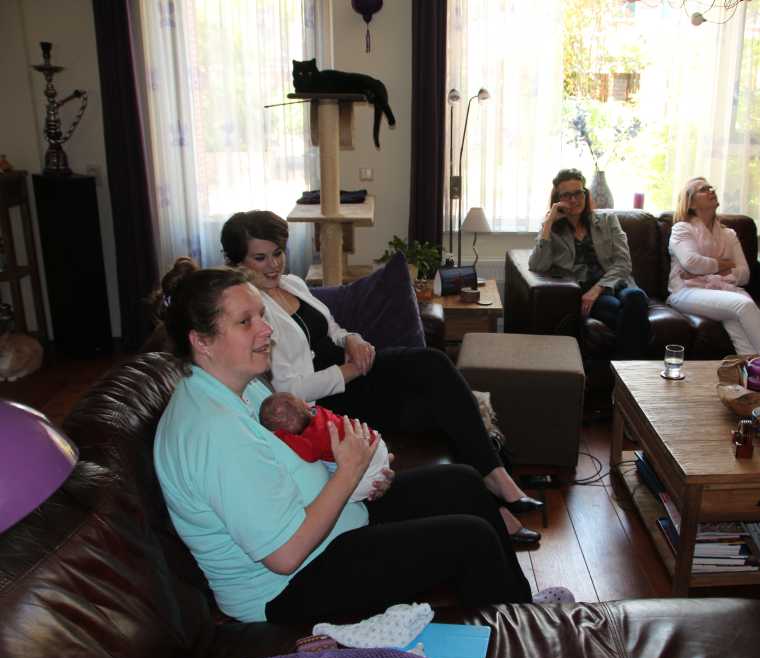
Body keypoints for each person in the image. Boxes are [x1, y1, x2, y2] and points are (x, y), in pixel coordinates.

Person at [152, 265, 553, 624]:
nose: (266, 329)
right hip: (285, 586)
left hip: (329, 523)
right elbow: (284, 556)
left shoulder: (244, 386)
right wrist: (348, 473)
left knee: (462, 482)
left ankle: (523, 612)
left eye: (261, 314)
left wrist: (360, 473)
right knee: (470, 540)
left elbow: (299, 452)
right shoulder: (212, 431)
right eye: (245, 321)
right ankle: (519, 640)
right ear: (202, 341)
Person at [219, 211, 542, 545]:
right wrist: (348, 371)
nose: (274, 265)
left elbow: (332, 327)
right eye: (260, 258)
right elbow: (291, 389)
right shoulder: (255, 317)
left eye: (277, 253)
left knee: (434, 365)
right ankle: (498, 507)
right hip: (331, 398)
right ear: (238, 263)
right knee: (437, 410)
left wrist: (352, 339)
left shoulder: (293, 284)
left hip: (355, 371)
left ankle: (497, 477)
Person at [528, 168, 650, 358]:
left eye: (578, 193)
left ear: (585, 193)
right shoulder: (554, 231)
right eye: (566, 195)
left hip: (615, 284)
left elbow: (624, 263)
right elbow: (537, 265)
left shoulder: (608, 220)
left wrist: (597, 289)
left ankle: (620, 369)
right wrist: (548, 223)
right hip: (585, 291)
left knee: (636, 297)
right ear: (558, 200)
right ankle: (628, 369)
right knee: (625, 312)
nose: (574, 200)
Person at [667, 177, 760, 356]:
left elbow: (744, 275)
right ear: (691, 203)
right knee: (743, 305)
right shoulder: (682, 229)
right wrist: (726, 265)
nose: (711, 191)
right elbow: (692, 263)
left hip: (725, 291)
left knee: (737, 326)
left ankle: (751, 368)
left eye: (710, 187)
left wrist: (705, 269)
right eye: (703, 189)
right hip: (686, 292)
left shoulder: (729, 234)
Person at [260, 391, 391, 503]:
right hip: (374, 440)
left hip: (368, 457)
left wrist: (280, 435)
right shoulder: (318, 411)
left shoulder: (315, 439)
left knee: (342, 494)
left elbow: (310, 456)